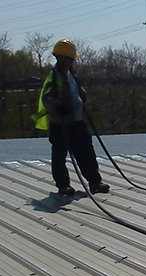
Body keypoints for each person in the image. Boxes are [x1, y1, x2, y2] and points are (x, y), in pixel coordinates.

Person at [32, 39, 109, 196]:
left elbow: (77, 93)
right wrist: (58, 106)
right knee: (59, 154)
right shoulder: (53, 77)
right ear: (60, 58)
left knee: (86, 151)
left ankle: (95, 182)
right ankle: (63, 185)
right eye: (70, 58)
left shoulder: (71, 75)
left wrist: (82, 100)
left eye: (72, 59)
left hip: (76, 121)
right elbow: (47, 98)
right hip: (60, 124)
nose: (72, 62)